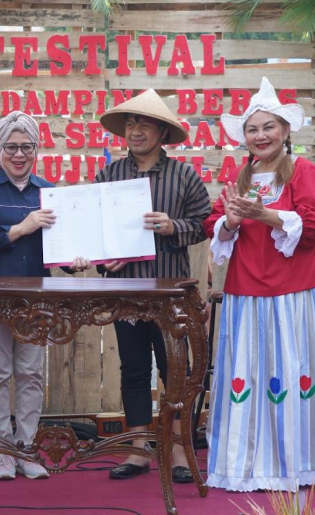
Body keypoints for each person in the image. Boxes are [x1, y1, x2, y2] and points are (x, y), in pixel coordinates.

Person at [204, 77, 315, 491]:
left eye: (268, 127)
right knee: (252, 373)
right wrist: (232, 221)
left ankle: (299, 463)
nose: (260, 135)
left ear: (285, 130)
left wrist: (264, 215)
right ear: (244, 137)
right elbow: (215, 225)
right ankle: (251, 462)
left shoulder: (303, 171)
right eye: (253, 129)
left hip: (295, 291)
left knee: (293, 369)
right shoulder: (241, 176)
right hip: (247, 289)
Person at [0, 111, 90, 480]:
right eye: (11, 147)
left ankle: (26, 449)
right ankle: (3, 454)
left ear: (37, 149)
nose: (19, 154)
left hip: (36, 299)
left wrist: (75, 261)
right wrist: (20, 228)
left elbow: (59, 248)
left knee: (31, 374)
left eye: (26, 147)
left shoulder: (48, 192)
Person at [95, 89, 212, 483]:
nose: (135, 130)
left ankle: (178, 448)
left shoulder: (184, 176)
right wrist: (102, 256)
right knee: (132, 369)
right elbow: (95, 231)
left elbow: (203, 224)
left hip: (169, 294)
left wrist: (171, 226)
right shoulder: (109, 176)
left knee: (174, 370)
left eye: (144, 124)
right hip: (125, 292)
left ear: (162, 132)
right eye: (130, 123)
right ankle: (139, 449)